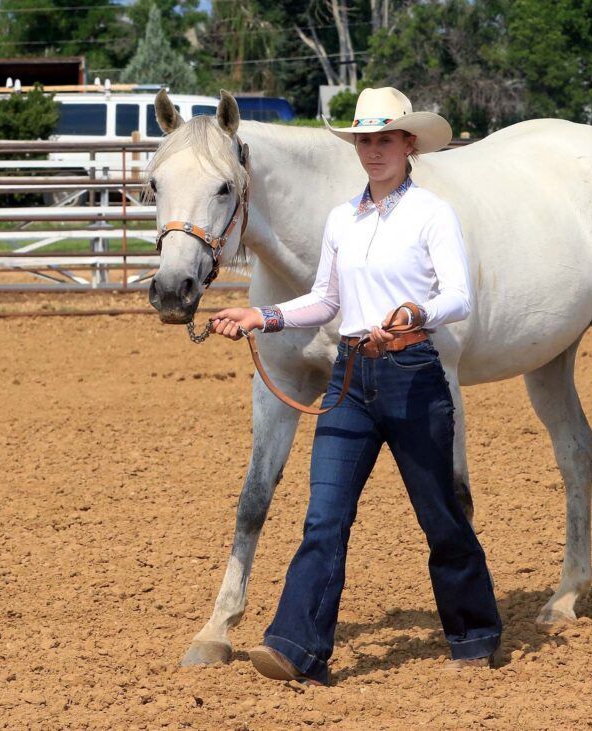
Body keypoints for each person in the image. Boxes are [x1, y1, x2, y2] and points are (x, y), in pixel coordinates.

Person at [210, 87, 501, 686]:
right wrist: (260, 318)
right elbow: (326, 300)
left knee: (441, 516)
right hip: (350, 379)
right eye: (365, 140)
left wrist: (419, 314)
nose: (373, 151)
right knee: (325, 517)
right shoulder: (342, 218)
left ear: (408, 144)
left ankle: (474, 632)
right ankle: (296, 645)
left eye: (384, 139)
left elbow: (459, 294)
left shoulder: (432, 214)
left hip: (413, 375)